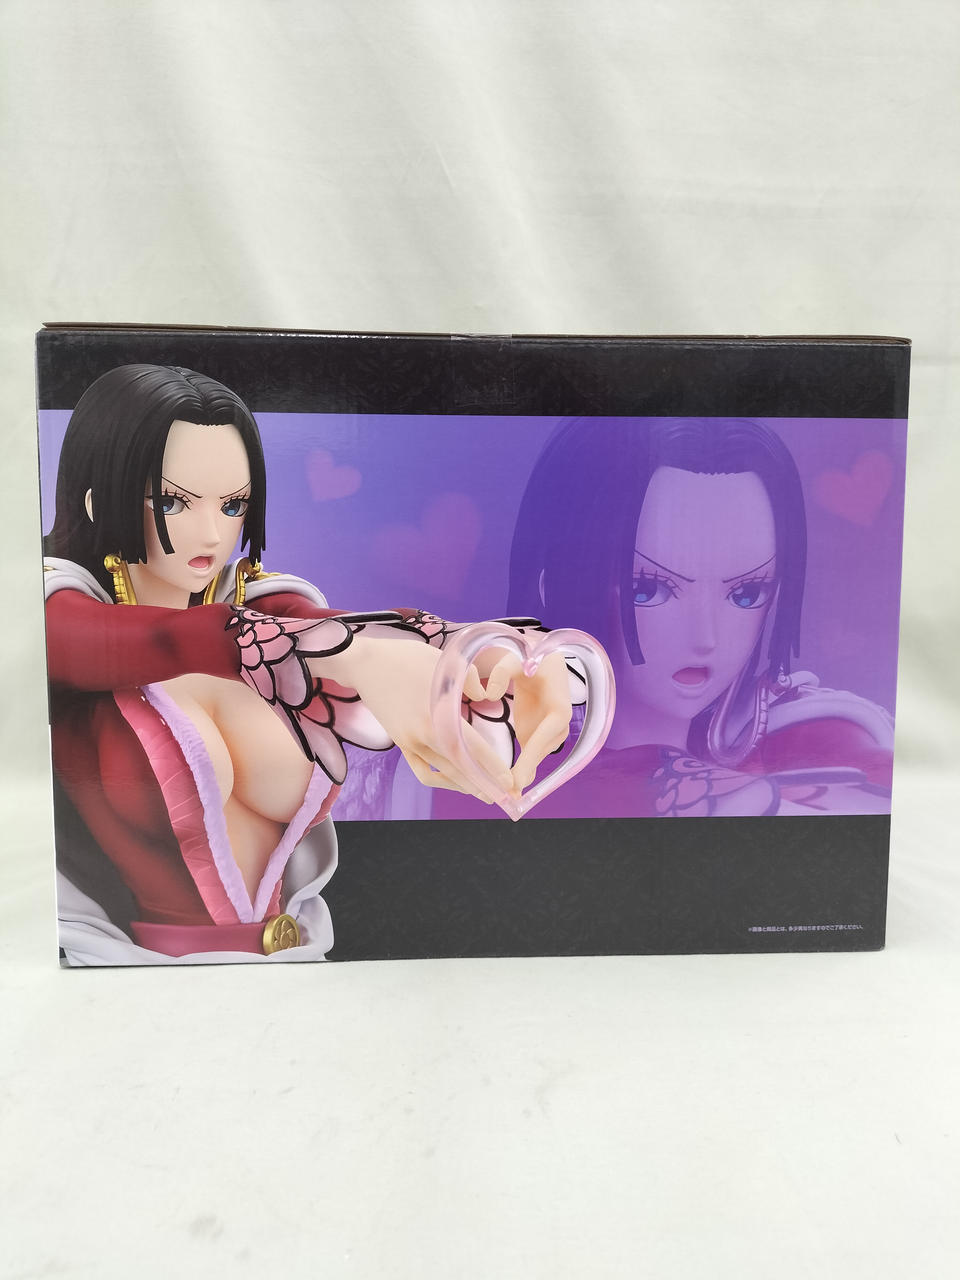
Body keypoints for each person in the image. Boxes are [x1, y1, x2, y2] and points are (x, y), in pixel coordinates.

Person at [43, 364, 574, 964]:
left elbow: (354, 628)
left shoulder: (264, 607)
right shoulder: (56, 616)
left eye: (234, 505)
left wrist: (498, 652)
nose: (212, 533)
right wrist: (356, 656)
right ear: (99, 499)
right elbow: (162, 642)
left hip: (300, 969)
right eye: (173, 502)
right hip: (123, 982)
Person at [501, 416, 894, 818]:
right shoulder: (497, 750)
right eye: (647, 589)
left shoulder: (805, 729)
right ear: (559, 582)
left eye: (746, 593)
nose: (706, 637)